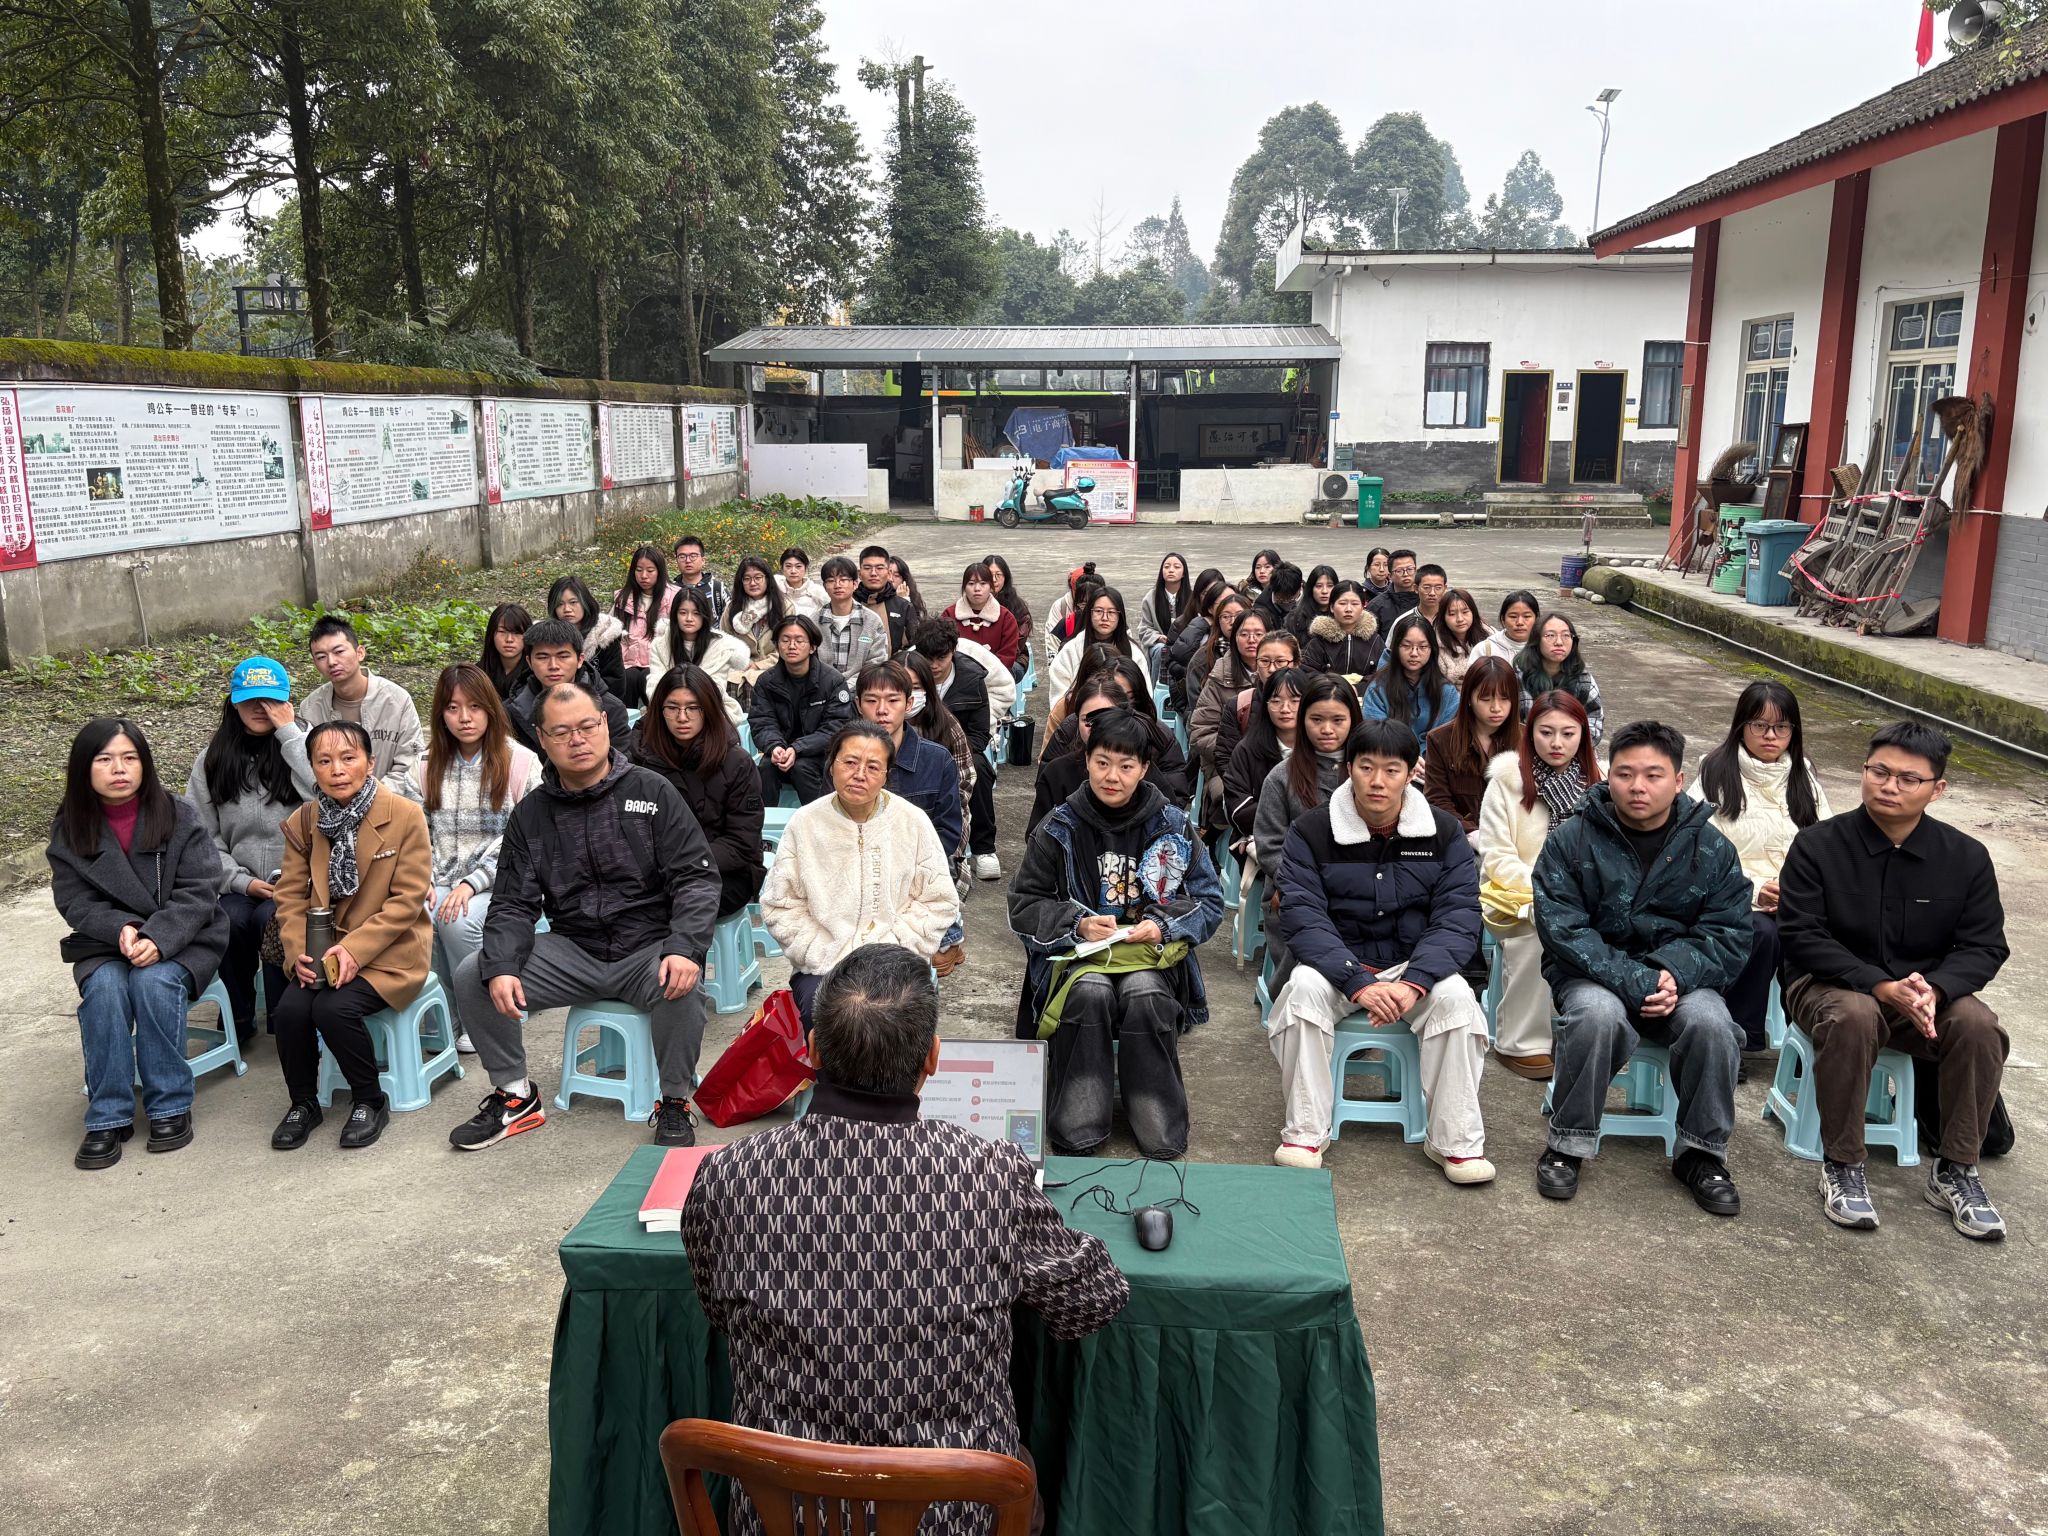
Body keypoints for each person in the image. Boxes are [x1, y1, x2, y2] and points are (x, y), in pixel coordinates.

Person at [680, 944, 1128, 1536]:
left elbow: (717, 1308)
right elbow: (1091, 1302)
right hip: (959, 1515)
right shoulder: (988, 1172)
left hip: (781, 1513)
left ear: (812, 1051)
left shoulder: (728, 1175)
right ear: (933, 1058)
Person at [448, 681, 722, 1150]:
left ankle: (674, 1100)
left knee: (683, 984)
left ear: (606, 725)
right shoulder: (532, 815)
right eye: (561, 732)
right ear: (541, 738)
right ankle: (515, 1095)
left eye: (587, 727)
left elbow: (696, 879)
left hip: (647, 948)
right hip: (574, 950)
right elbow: (512, 902)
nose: (577, 740)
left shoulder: (652, 792)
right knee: (475, 973)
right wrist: (503, 964)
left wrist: (684, 946)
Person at [1778, 722, 2012, 1240]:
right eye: (1879, 772)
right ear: (1864, 771)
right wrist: (1879, 985)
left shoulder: (1966, 858)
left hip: (1925, 994)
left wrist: (1937, 989)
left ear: (1937, 788)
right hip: (1828, 986)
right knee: (1855, 1014)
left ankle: (1956, 1168)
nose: (1889, 786)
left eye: (1909, 779)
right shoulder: (1818, 846)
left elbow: (1985, 946)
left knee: (1978, 1024)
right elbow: (1800, 935)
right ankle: (1843, 1164)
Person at [1532, 720, 1751, 1214]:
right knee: (1596, 1015)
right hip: (1591, 975)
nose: (1637, 786)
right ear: (1608, 776)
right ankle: (1567, 1143)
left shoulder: (1711, 848)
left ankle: (1701, 1153)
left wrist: (1673, 972)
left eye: (1653, 775)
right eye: (1625, 773)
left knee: (1712, 1022)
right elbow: (1563, 929)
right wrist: (1639, 980)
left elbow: (1730, 932)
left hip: (1681, 981)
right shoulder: (1572, 838)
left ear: (1678, 781)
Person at [1267, 720, 1493, 1181]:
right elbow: (1303, 916)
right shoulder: (1310, 831)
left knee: (1457, 1000)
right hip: (1338, 966)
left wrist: (1415, 982)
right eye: (1366, 767)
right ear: (1348, 767)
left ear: (1411, 773)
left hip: (1415, 965)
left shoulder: (1443, 833)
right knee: (1302, 990)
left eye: (1392, 770)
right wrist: (1357, 982)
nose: (1377, 781)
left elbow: (1457, 916)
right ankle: (1305, 1132)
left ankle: (1456, 1144)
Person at [1009, 707, 1224, 1157]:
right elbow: (1024, 903)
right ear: (1086, 761)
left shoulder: (1171, 824)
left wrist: (1161, 924)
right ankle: (1079, 1123)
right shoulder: (1059, 826)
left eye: (1126, 766)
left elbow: (1208, 901)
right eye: (1102, 762)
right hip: (1079, 962)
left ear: (1144, 768)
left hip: (1150, 960)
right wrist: (1077, 924)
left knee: (1144, 993)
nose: (1112, 776)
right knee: (1090, 993)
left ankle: (1157, 1122)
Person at [50, 718, 227, 1170]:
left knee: (153, 983)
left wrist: (158, 937)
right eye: (105, 759)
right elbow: (73, 900)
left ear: (144, 764)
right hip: (106, 943)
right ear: (84, 768)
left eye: (130, 758)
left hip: (185, 936)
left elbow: (201, 888)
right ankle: (108, 1115)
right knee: (105, 990)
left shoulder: (177, 814)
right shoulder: (71, 826)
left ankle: (169, 1104)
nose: (119, 769)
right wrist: (122, 927)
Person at [271, 720, 434, 1152]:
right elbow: (289, 896)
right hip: (321, 949)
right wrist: (298, 952)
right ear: (312, 768)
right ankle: (304, 1103)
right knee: (289, 1011)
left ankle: (369, 1099)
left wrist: (354, 950)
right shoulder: (305, 821)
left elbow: (407, 901)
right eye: (324, 761)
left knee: (334, 1008)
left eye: (348, 758)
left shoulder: (404, 815)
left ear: (370, 762)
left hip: (389, 951)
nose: (337, 770)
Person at [759, 721, 958, 1028]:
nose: (859, 774)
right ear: (832, 765)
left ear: (886, 775)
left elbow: (939, 900)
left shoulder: (912, 821)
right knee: (825, 1015)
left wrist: (896, 946)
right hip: (823, 964)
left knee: (897, 1022)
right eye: (850, 762)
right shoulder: (805, 823)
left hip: (895, 961)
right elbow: (779, 904)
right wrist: (819, 951)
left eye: (873, 767)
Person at [1689, 681, 1832, 1054]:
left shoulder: (1803, 777)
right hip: (1731, 897)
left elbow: (1826, 846)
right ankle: (1736, 1039)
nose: (1771, 736)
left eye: (1781, 727)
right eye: (1760, 725)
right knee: (1761, 934)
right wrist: (1754, 888)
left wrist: (1797, 891)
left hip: (1794, 897)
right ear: (1741, 726)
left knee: (1815, 937)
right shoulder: (1714, 774)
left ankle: (1810, 1043)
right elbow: (1698, 851)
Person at [403, 663, 541, 1047]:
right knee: (418, 914)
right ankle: (443, 1016)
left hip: (505, 880)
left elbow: (525, 839)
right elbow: (414, 833)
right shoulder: (425, 765)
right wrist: (422, 878)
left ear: (490, 709)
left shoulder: (520, 762)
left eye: (475, 706)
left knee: (458, 922)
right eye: (453, 708)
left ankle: (485, 1014)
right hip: (441, 877)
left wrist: (472, 882)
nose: (464, 717)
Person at [187, 656, 316, 1041]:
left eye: (271, 700)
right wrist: (240, 881)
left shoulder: (308, 744)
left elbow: (326, 796)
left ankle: (285, 1021)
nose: (261, 709)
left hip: (300, 880)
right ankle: (238, 1021)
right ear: (234, 703)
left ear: (287, 701)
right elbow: (200, 836)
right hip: (238, 881)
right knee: (229, 920)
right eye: (250, 700)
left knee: (273, 919)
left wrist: (289, 734)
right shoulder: (213, 759)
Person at [1478, 690, 1602, 1080]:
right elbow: (1496, 855)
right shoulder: (1506, 781)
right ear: (1530, 733)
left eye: (1568, 733)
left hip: (1588, 895)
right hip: (1517, 894)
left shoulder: (1599, 785)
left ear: (1583, 735)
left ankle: (1603, 1033)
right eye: (1546, 732)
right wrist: (1549, 892)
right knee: (1539, 926)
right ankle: (1521, 1042)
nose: (1556, 743)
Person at [633, 665, 766, 922]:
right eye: (672, 708)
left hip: (723, 870)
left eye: (693, 708)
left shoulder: (736, 762)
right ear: (659, 710)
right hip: (655, 869)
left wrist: (681, 861)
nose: (682, 717)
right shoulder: (641, 758)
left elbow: (741, 844)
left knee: (680, 904)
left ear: (709, 709)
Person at [1028, 673, 1192, 837]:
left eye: (1125, 766)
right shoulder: (1057, 772)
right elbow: (1038, 837)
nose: (1112, 777)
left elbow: (1172, 826)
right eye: (1087, 720)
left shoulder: (1146, 772)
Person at [855, 660, 966, 901]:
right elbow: (830, 823)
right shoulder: (843, 760)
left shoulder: (937, 760)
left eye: (892, 700)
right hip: (856, 874)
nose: (882, 710)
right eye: (871, 701)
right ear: (858, 705)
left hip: (920, 874)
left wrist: (902, 870)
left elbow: (947, 832)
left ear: (909, 704)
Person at [912, 620, 1003, 881]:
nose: (934, 665)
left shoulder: (972, 680)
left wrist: (948, 757)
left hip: (958, 750)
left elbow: (979, 734)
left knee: (980, 768)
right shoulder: (906, 674)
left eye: (941, 657)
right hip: (914, 747)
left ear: (953, 650)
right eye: (927, 658)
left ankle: (984, 848)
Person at [1252, 672, 1363, 878]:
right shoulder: (1281, 777)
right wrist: (1307, 884)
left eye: (1338, 720)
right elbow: (1270, 847)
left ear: (1353, 719)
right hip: (1298, 885)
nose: (1327, 729)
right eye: (1316, 719)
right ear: (1303, 719)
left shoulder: (1370, 774)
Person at [301, 613, 425, 789]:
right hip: (332, 803)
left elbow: (411, 765)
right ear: (315, 664)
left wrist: (372, 798)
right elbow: (308, 768)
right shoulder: (310, 708)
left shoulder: (397, 700)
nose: (331, 662)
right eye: (321, 656)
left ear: (360, 652)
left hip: (391, 801)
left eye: (339, 652)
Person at [748, 615, 853, 806]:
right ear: (777, 645)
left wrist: (798, 748)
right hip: (781, 751)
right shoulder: (766, 682)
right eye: (785, 640)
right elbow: (762, 722)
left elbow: (836, 728)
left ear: (812, 647)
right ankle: (764, 821)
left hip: (820, 755)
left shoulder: (832, 681)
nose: (792, 646)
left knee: (801, 768)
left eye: (799, 640)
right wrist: (775, 747)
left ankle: (820, 818)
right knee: (766, 767)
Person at [1425, 654, 1522, 840]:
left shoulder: (1527, 739)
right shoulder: (1439, 740)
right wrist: (1472, 833)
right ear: (1469, 698)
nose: (1496, 707)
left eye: (1505, 698)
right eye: (1485, 699)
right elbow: (1438, 801)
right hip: (1462, 839)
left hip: (1514, 838)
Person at [505, 620, 629, 757]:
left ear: (580, 660)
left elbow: (620, 763)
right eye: (543, 657)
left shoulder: (611, 708)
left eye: (563, 656)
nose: (553, 666)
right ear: (529, 662)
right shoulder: (510, 713)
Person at [1189, 601, 1265, 797]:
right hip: (1226, 765)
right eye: (1244, 634)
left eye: (1259, 634)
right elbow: (1200, 733)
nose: (1251, 640)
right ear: (1234, 638)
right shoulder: (1220, 676)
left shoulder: (1284, 675)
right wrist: (1241, 752)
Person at [1224, 666, 1304, 842]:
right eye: (1276, 700)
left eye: (1295, 700)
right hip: (1260, 841)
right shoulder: (1247, 750)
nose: (1285, 708)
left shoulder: (1317, 750)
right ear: (1265, 704)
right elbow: (1238, 810)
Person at [647, 587, 749, 723]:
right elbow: (655, 682)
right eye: (683, 613)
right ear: (675, 615)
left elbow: (716, 686)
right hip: (669, 705)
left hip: (710, 707)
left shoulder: (721, 646)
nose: (689, 619)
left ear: (704, 615)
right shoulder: (660, 645)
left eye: (696, 613)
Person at [1363, 613, 1459, 748]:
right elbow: (1376, 734)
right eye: (1406, 646)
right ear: (1396, 648)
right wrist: (1408, 756)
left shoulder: (1447, 692)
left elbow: (1446, 737)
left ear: (1432, 649)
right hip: (1391, 755)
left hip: (1433, 757)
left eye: (1422, 647)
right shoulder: (1378, 689)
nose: (1414, 653)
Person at [1048, 584, 1150, 699]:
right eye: (1098, 611)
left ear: (1120, 616)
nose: (1104, 618)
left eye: (1111, 612)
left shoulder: (1134, 653)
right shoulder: (1071, 650)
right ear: (1089, 613)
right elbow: (1059, 695)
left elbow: (1144, 696)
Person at [1517, 613, 1604, 743]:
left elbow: (1595, 720)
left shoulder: (1584, 680)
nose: (1559, 642)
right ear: (1536, 640)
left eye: (1566, 635)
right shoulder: (1518, 677)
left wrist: (1572, 746)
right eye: (1550, 635)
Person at [548, 574, 628, 704]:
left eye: (573, 602)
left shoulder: (605, 636)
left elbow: (615, 683)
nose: (567, 609)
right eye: (560, 604)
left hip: (598, 704)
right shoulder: (547, 638)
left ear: (585, 602)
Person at [610, 544, 670, 707]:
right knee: (629, 678)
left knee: (648, 677)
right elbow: (611, 632)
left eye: (650, 570)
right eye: (639, 570)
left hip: (659, 662)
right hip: (628, 661)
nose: (644, 576)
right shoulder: (622, 599)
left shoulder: (672, 598)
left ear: (660, 571)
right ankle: (626, 718)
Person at [814, 555, 892, 676]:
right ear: (824, 586)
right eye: (831, 581)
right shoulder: (813, 621)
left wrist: (851, 685)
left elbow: (877, 661)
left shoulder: (872, 621)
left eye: (843, 580)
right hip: (822, 685)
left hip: (861, 685)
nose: (837, 585)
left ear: (855, 584)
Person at [943, 560, 1020, 672]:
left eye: (983, 583)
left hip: (996, 677)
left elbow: (1007, 656)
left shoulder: (1006, 618)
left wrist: (985, 674)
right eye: (971, 583)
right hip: (957, 676)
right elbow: (943, 652)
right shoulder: (949, 615)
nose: (977, 589)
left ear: (991, 587)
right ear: (964, 587)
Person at [1302, 580, 1381, 679]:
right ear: (1332, 607)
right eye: (1342, 603)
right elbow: (1306, 673)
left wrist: (1359, 685)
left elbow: (1384, 674)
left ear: (1363, 606)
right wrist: (1336, 684)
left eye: (1355, 604)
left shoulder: (1375, 641)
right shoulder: (1319, 642)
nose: (1348, 609)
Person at [722, 554, 787, 663]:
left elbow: (789, 645)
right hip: (741, 667)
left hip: (775, 667)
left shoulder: (784, 606)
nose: (752, 583)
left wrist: (760, 666)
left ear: (767, 579)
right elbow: (724, 643)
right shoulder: (732, 608)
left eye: (758, 577)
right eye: (747, 579)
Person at [856, 545, 915, 652]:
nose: (873, 573)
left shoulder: (903, 606)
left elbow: (914, 645)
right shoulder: (849, 602)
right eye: (867, 568)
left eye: (879, 568)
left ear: (889, 573)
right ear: (859, 574)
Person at [982, 552, 1033, 674]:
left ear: (1006, 577)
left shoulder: (1017, 606)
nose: (994, 580)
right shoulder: (974, 601)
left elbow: (1015, 646)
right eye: (990, 575)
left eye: (998, 575)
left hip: (1013, 660)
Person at [1136, 551, 1191, 662]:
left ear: (1184, 573)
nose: (1171, 570)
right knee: (1162, 649)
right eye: (1166, 567)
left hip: (1185, 645)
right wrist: (1158, 637)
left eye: (1176, 567)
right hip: (1159, 645)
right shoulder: (1150, 598)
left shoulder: (1192, 598)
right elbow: (1144, 628)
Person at [479, 602, 533, 700]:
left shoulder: (534, 675)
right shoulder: (478, 674)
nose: (509, 639)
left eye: (517, 633)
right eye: (502, 632)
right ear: (491, 635)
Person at [1473, 590, 1542, 666]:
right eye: (1513, 616)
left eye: (1526, 616)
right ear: (1503, 619)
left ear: (1536, 618)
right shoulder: (1484, 649)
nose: (1520, 622)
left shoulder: (1546, 647)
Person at [1435, 589, 1489, 683]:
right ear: (1443, 618)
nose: (1460, 619)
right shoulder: (1434, 644)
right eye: (1452, 614)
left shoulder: (1489, 638)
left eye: (1465, 612)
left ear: (1473, 612)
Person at [670, 533, 728, 621]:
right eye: (682, 556)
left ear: (703, 560)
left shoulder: (717, 589)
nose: (688, 560)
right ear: (676, 560)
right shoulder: (670, 590)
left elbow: (731, 619)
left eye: (693, 556)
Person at [1366, 549, 1419, 633]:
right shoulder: (1376, 606)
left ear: (1416, 571)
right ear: (1390, 576)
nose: (1406, 574)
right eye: (1399, 571)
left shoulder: (1427, 600)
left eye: (1410, 569)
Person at [1286, 562, 1339, 640]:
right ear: (1311, 589)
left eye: (1330, 586)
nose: (1324, 591)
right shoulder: (1295, 618)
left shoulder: (1343, 616)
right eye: (1319, 586)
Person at [1250, 561, 1303, 634]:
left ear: (1300, 587)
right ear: (1272, 589)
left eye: (1291, 599)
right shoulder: (1261, 607)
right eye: (1280, 600)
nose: (1286, 603)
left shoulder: (1313, 598)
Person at [775, 546, 828, 617]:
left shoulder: (818, 593)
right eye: (788, 566)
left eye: (798, 566)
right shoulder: (775, 585)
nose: (793, 571)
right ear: (782, 568)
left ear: (806, 568)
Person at [1411, 563, 1449, 627]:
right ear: (1416, 588)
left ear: (1444, 589)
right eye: (1426, 588)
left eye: (1438, 588)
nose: (1432, 593)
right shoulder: (1404, 620)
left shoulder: (1451, 618)